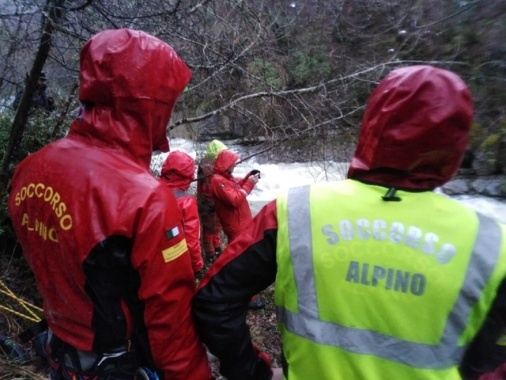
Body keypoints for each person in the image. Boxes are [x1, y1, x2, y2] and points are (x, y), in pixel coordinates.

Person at [192, 65, 506, 380]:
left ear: (372, 126)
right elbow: (493, 362)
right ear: (454, 146)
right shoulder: (492, 244)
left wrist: (252, 373)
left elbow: (214, 302)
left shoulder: (295, 211)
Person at [8, 29, 212, 380]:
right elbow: (171, 326)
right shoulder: (144, 197)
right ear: (151, 104)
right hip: (117, 364)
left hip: (61, 353)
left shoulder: (31, 168)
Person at [160, 150, 204, 275]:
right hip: (174, 261)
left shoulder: (150, 190)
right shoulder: (186, 202)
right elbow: (191, 241)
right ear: (189, 175)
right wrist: (197, 267)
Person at [197, 139, 228, 260]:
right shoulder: (212, 166)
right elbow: (209, 186)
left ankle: (217, 247)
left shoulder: (204, 163)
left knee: (214, 227)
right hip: (210, 201)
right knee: (210, 229)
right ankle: (211, 253)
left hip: (206, 200)